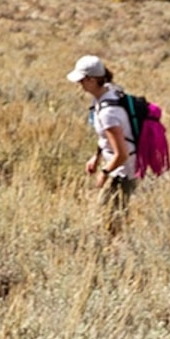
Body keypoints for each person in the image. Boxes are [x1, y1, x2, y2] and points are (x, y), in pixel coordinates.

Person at [69, 56, 140, 221]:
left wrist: (104, 172)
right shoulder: (107, 93)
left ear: (92, 80)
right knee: (110, 214)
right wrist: (97, 156)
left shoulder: (109, 113)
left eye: (81, 81)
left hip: (123, 171)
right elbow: (107, 138)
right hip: (117, 166)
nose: (79, 85)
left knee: (108, 217)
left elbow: (121, 154)